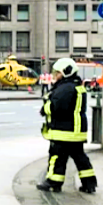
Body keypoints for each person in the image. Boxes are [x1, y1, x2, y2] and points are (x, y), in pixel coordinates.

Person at [37, 58, 97, 194]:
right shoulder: (77, 86)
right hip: (76, 131)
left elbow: (55, 107)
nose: (54, 76)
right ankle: (89, 183)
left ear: (65, 72)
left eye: (57, 73)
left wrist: (44, 107)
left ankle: (53, 182)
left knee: (57, 157)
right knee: (80, 158)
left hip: (63, 131)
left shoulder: (65, 88)